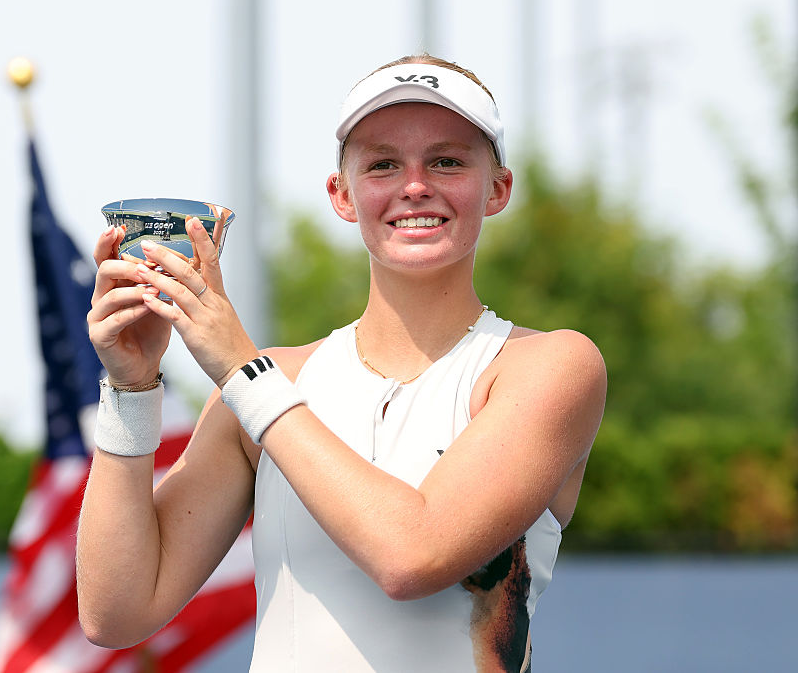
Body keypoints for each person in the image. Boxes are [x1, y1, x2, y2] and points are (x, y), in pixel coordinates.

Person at [76, 54, 607, 672]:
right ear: (342, 194)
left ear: (497, 188)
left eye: (447, 161)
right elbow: (115, 613)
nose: (415, 185)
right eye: (383, 163)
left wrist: (244, 372)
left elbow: (411, 557)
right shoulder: (266, 383)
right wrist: (131, 388)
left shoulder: (549, 365)